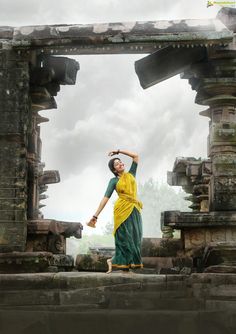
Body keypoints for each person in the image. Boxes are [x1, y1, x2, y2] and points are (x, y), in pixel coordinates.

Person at [87, 150, 143, 274]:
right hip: (121, 211)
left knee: (136, 238)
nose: (120, 164)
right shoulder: (113, 181)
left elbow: (135, 156)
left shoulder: (131, 174)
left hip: (134, 209)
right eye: (117, 164)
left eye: (120, 162)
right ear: (114, 170)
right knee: (125, 239)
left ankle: (114, 261)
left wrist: (118, 151)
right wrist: (95, 215)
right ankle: (124, 267)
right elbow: (105, 198)